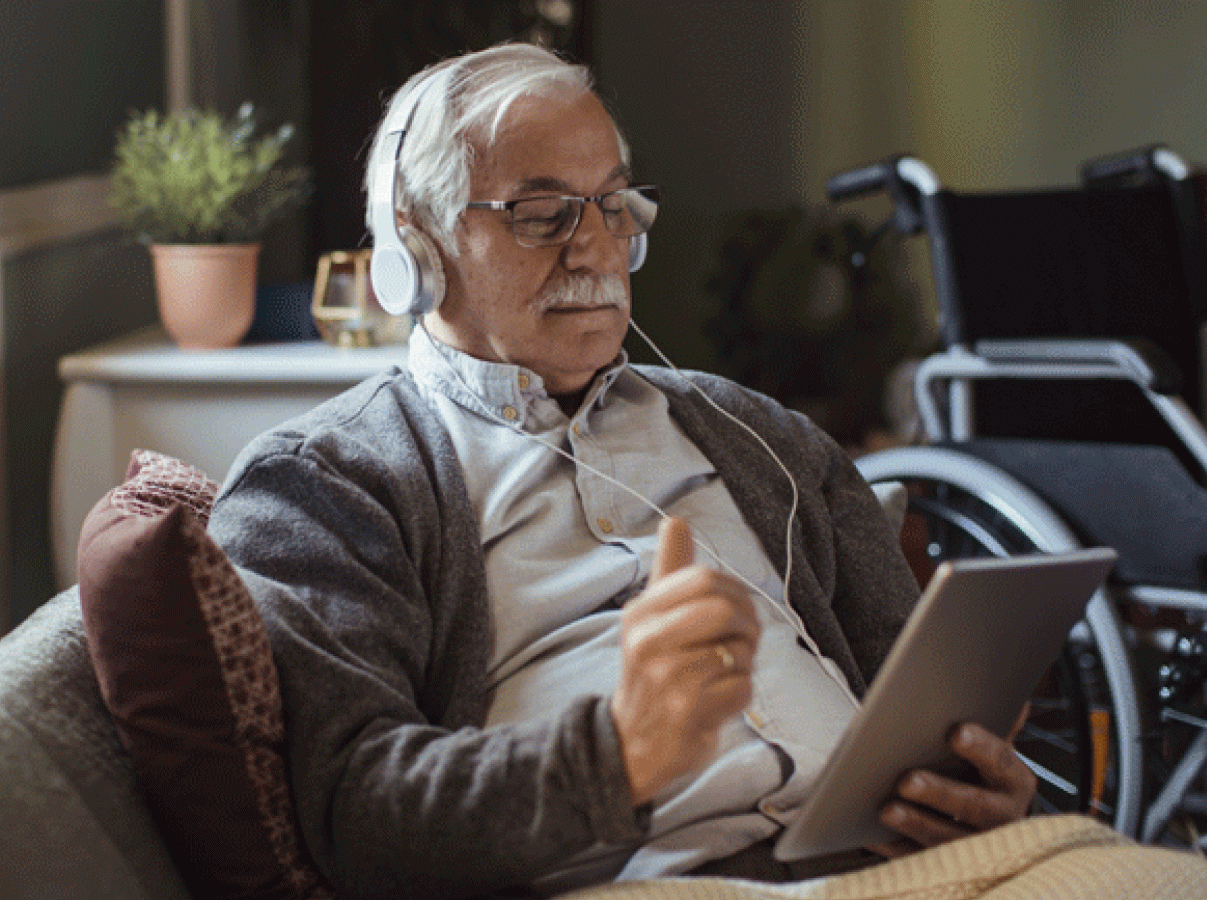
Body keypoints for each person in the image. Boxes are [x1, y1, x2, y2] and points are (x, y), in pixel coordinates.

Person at [206, 43, 1047, 900]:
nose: (596, 250)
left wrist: (976, 789)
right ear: (417, 251)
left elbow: (904, 702)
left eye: (613, 205)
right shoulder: (326, 483)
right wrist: (617, 752)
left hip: (913, 870)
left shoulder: (767, 439)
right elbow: (361, 813)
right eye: (543, 214)